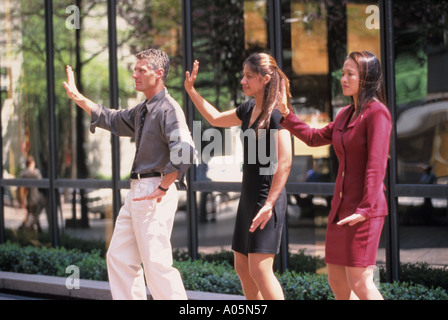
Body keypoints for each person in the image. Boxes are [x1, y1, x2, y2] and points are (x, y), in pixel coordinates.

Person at [63, 48, 194, 300]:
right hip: (138, 191)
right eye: (135, 69)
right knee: (119, 258)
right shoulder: (143, 109)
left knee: (156, 266)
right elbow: (110, 118)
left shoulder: (169, 108)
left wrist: (164, 187)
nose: (135, 74)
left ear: (158, 74)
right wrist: (78, 97)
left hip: (154, 191)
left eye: (141, 70)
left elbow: (185, 151)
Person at [277, 51, 392, 300]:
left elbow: (376, 167)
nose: (343, 78)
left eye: (351, 74)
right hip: (340, 210)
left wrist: (365, 209)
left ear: (367, 79)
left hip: (364, 211)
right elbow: (313, 137)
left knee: (361, 283)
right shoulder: (345, 114)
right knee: (338, 281)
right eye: (343, 73)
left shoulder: (377, 113)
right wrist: (286, 114)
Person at [185, 53, 292, 300]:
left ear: (266, 79)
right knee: (243, 267)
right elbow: (214, 118)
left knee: (260, 269)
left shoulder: (277, 114)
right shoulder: (248, 109)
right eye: (243, 75)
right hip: (249, 196)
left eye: (248, 76)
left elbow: (285, 163)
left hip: (267, 196)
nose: (242, 81)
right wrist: (191, 91)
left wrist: (268, 204)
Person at [19, 155, 44, 232]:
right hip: (36, 197)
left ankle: (35, 230)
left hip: (28, 197)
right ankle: (26, 227)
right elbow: (42, 183)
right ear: (32, 163)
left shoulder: (24, 173)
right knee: (33, 215)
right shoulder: (36, 173)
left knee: (32, 214)